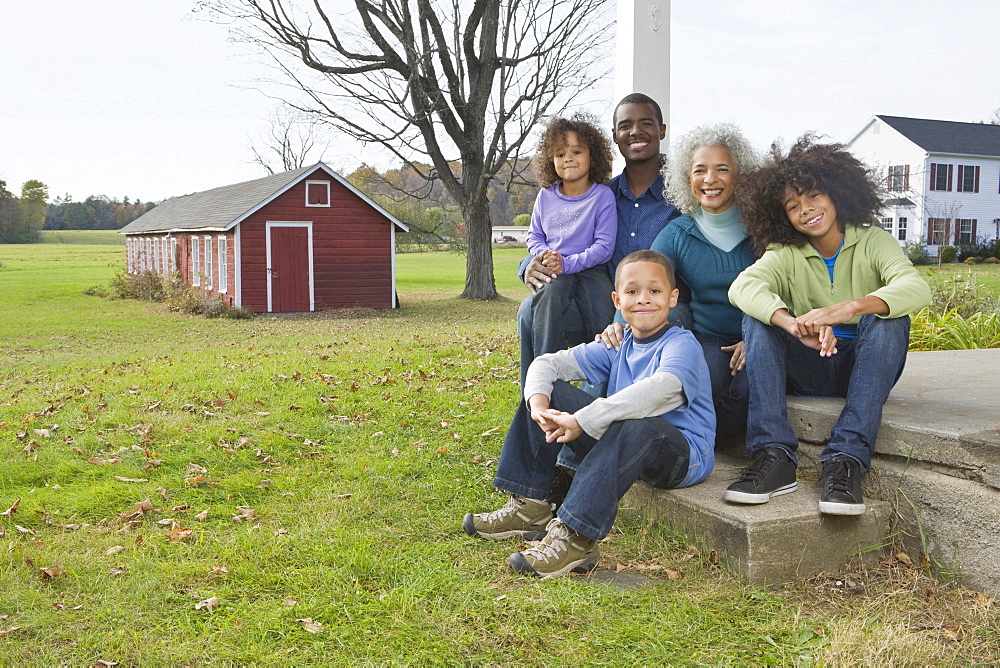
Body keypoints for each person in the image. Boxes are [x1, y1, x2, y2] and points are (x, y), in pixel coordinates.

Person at [465, 251, 716, 578]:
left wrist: (583, 420)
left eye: (654, 291)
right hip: (624, 443)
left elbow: (663, 389)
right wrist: (538, 406)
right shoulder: (619, 343)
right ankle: (530, 506)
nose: (643, 300)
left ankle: (576, 537)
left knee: (637, 423)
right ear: (616, 300)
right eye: (632, 291)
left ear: (673, 297)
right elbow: (546, 364)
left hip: (681, 455)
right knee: (548, 390)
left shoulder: (681, 345)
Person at [725, 135, 931, 515]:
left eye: (813, 196)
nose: (806, 210)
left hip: (864, 365)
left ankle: (846, 460)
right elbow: (743, 286)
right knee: (758, 318)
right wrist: (790, 324)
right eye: (792, 205)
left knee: (889, 319)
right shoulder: (784, 253)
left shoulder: (874, 241)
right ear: (781, 215)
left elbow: (915, 287)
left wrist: (849, 308)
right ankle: (775, 456)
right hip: (809, 364)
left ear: (837, 193)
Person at [600, 124, 759, 443]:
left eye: (722, 169)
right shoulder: (679, 232)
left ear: (739, 175)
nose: (710, 180)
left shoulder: (761, 228)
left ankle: (714, 442)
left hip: (759, 334)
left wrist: (757, 338)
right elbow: (643, 275)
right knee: (709, 376)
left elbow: (787, 285)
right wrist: (620, 324)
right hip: (708, 335)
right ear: (687, 178)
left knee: (746, 388)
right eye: (700, 170)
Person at [516, 93, 681, 387]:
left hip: (651, 303)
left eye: (646, 123)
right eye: (626, 125)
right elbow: (538, 234)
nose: (635, 132)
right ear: (615, 136)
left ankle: (594, 396)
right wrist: (530, 263)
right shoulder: (608, 191)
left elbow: (600, 249)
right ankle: (537, 394)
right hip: (590, 293)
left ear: (662, 130)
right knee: (529, 311)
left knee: (601, 376)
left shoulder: (680, 194)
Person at [524, 114, 617, 359]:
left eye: (577, 151)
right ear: (550, 159)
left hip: (591, 271)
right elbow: (534, 236)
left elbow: (604, 247)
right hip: (554, 269)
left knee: (603, 318)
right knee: (547, 299)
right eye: (560, 153)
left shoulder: (602, 196)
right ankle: (543, 373)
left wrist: (568, 263)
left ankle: (601, 384)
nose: (568, 158)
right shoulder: (545, 196)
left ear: (592, 156)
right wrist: (544, 254)